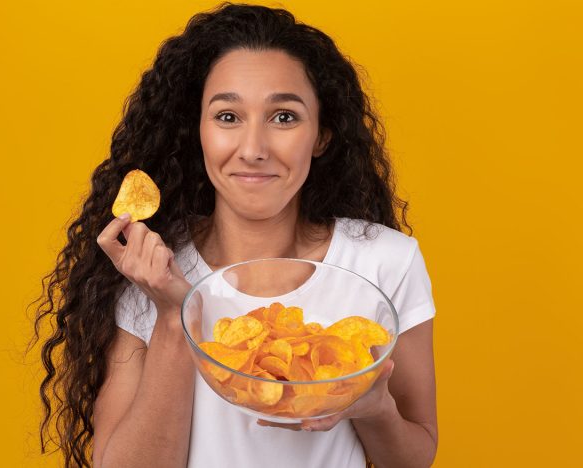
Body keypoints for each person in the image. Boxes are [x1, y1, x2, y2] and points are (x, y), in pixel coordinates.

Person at [31, 3, 438, 467]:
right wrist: (174, 313)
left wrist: (373, 406)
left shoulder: (386, 262)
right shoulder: (150, 266)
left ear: (322, 135)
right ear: (198, 131)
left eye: (284, 117)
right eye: (228, 117)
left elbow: (414, 458)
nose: (253, 149)